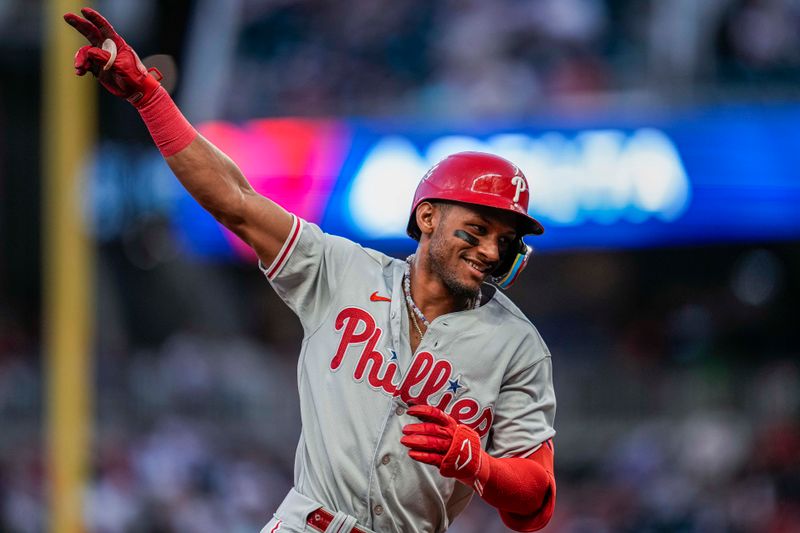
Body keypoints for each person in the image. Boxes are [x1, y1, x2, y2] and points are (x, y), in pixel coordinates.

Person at [64, 8, 557, 533]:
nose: (488, 250)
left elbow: (535, 505)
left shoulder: (518, 346)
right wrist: (150, 99)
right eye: (476, 229)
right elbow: (236, 200)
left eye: (505, 242)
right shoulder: (342, 271)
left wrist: (480, 466)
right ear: (428, 216)